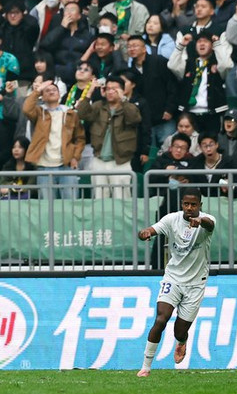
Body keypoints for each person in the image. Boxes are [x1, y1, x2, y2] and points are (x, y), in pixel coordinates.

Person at [136, 187, 216, 378]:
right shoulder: (171, 219)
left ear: (200, 205)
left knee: (179, 331)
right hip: (172, 278)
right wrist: (145, 233)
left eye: (193, 204)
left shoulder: (206, 220)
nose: (189, 208)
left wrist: (201, 221)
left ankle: (181, 342)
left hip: (195, 283)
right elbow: (152, 229)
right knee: (160, 319)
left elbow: (210, 225)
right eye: (186, 204)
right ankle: (146, 367)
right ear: (181, 204)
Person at [77, 75, 141, 199]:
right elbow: (81, 114)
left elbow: (134, 118)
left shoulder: (128, 107)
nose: (110, 92)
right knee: (100, 198)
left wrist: (123, 99)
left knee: (122, 198)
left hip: (120, 161)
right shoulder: (99, 106)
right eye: (108, 89)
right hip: (99, 159)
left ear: (122, 90)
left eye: (114, 89)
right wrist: (89, 92)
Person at [23, 79, 85, 200]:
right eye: (47, 91)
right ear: (42, 96)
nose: (51, 92)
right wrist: (37, 91)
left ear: (59, 94)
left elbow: (80, 138)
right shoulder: (39, 112)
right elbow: (26, 109)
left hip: (66, 165)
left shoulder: (70, 113)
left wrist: (75, 157)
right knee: (47, 204)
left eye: (54, 90)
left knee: (70, 204)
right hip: (44, 166)